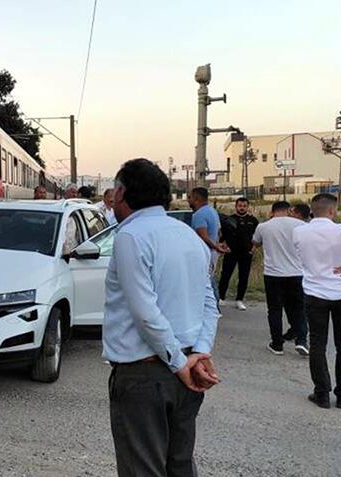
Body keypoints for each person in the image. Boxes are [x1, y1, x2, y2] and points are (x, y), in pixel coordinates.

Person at [104, 158, 220, 476]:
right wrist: (199, 352)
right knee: (180, 464)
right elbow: (210, 302)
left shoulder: (131, 237)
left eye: (115, 190)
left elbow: (146, 313)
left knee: (143, 469)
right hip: (186, 372)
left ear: (122, 193)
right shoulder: (188, 236)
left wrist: (182, 364)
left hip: (145, 376)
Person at [293, 193, 341, 410]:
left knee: (318, 344)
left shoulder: (299, 231)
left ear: (312, 209)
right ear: (333, 210)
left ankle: (322, 393)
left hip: (315, 293)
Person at [252, 201, 308, 356]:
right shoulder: (301, 225)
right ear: (289, 210)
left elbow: (255, 243)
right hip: (296, 273)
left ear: (272, 211)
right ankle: (302, 341)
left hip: (273, 274)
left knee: (275, 310)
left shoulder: (264, 226)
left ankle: (277, 344)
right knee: (298, 309)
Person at [189, 187, 229, 305]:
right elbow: (219, 232)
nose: (188, 200)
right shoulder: (212, 211)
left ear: (196, 199)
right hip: (213, 253)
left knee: (208, 281)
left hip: (206, 253)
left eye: (190, 197)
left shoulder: (199, 214)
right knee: (210, 279)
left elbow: (203, 236)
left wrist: (216, 247)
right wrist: (218, 244)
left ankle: (214, 307)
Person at [218, 197, 258, 310]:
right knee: (225, 275)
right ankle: (221, 297)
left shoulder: (253, 220)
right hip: (231, 252)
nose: (242, 208)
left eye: (244, 206)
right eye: (240, 206)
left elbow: (258, 236)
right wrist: (223, 244)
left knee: (243, 277)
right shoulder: (229, 220)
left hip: (246, 253)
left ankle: (239, 300)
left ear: (247, 207)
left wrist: (254, 247)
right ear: (236, 206)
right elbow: (222, 236)